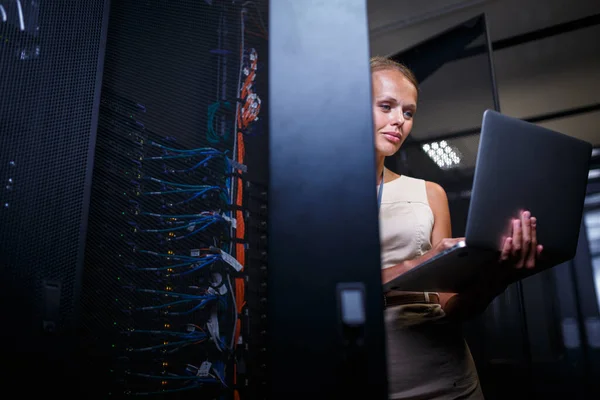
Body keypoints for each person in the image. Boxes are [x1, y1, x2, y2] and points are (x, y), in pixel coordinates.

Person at [371, 56, 543, 399]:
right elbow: (323, 291)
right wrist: (420, 263)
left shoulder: (429, 192)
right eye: (386, 106)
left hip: (447, 377)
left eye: (408, 112)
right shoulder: (318, 196)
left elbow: (451, 306)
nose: (399, 122)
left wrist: (499, 277)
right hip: (366, 373)